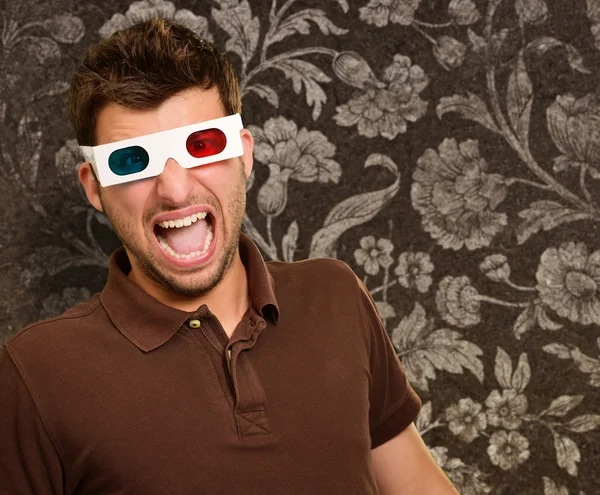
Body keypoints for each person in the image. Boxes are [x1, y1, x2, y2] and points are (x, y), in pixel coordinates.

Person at [0, 18, 459, 495]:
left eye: (202, 145)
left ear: (244, 155)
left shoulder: (335, 294)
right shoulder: (37, 373)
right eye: (132, 161)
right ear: (95, 187)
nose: (176, 189)